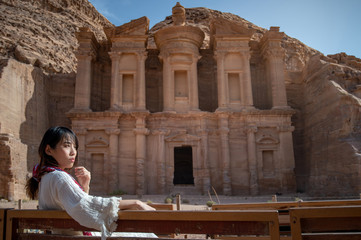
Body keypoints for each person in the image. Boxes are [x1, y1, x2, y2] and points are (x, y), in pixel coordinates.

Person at [25, 126, 156, 239]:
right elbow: (89, 206)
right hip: (77, 238)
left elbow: (79, 206)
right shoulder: (59, 177)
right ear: (49, 150)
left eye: (75, 147)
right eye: (66, 146)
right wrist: (136, 203)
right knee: (146, 235)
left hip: (66, 236)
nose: (73, 152)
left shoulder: (45, 177)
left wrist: (84, 186)